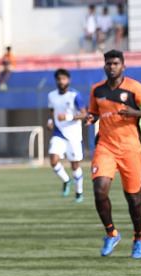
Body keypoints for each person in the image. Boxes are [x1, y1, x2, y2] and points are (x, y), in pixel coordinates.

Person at [85, 50, 141, 258]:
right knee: (99, 190)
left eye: (115, 63)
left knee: (134, 198)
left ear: (123, 66)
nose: (112, 67)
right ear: (104, 66)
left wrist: (135, 113)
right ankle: (111, 233)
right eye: (108, 63)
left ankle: (138, 238)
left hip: (131, 149)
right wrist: (90, 118)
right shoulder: (97, 90)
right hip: (106, 147)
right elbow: (93, 112)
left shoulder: (135, 88)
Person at [46, 68, 86, 203]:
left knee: (75, 166)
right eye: (58, 79)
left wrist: (68, 116)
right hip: (59, 133)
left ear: (68, 80)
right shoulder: (51, 95)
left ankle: (79, 192)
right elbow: (52, 110)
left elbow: (84, 114)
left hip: (74, 135)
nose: (61, 81)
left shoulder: (75, 95)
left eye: (63, 79)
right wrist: (51, 121)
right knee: (53, 159)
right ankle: (66, 180)